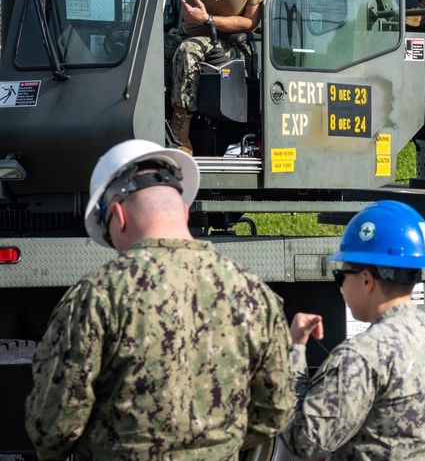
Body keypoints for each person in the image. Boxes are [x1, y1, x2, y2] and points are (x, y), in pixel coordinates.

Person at [25, 139, 294, 460]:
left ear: (118, 215)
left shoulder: (96, 297)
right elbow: (275, 411)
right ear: (183, 210)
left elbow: (53, 427)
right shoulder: (253, 293)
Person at [282, 200, 425, 459]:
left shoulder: (362, 356)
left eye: (342, 276)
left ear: (366, 279)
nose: (341, 287)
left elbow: (304, 442)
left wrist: (294, 351)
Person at [165, 0, 270, 153]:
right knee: (145, 49)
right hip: (188, 35)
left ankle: (181, 136)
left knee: (189, 51)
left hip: (234, 46)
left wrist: (208, 19)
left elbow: (250, 23)